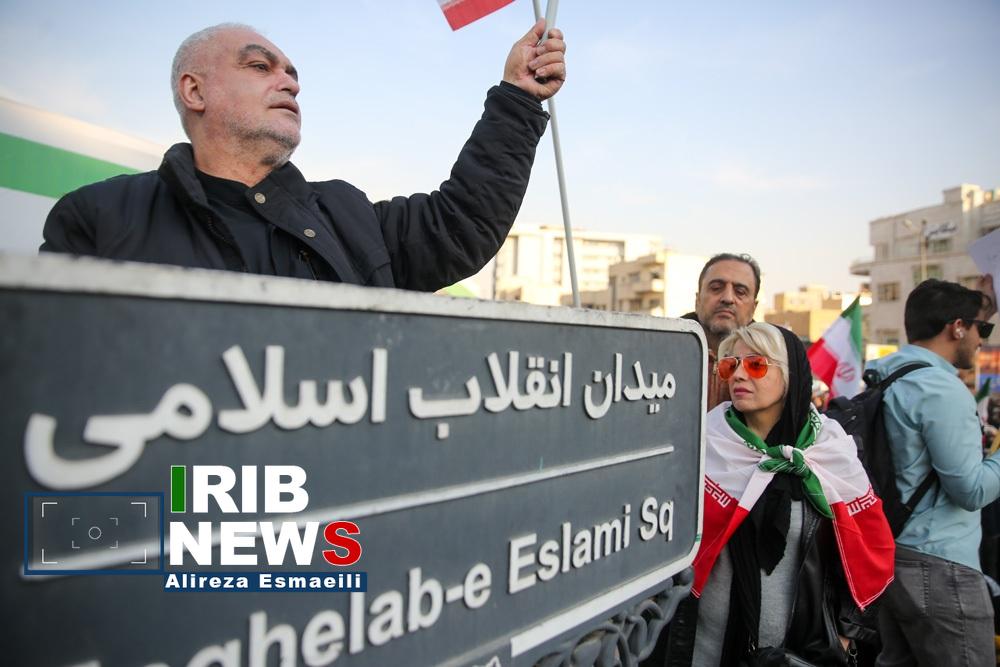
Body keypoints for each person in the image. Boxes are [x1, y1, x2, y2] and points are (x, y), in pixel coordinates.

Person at [39, 21, 566, 291]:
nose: (289, 82)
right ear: (194, 91)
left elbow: (460, 224)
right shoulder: (100, 220)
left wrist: (518, 98)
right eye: (259, 66)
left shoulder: (346, 216)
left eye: (292, 73)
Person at [661, 322, 894, 666]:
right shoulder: (705, 442)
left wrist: (846, 634)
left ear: (791, 375)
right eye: (730, 366)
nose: (739, 375)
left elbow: (870, 547)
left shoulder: (831, 449)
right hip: (705, 647)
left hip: (798, 653)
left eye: (756, 364)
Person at [866, 278, 1000, 667]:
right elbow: (971, 490)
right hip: (942, 564)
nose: (982, 340)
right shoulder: (940, 389)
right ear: (957, 327)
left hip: (894, 555)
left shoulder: (889, 377)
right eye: (981, 328)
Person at [683, 253, 761, 410]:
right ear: (697, 300)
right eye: (716, 288)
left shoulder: (773, 362)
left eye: (740, 291)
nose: (728, 298)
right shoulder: (662, 352)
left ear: (754, 307)